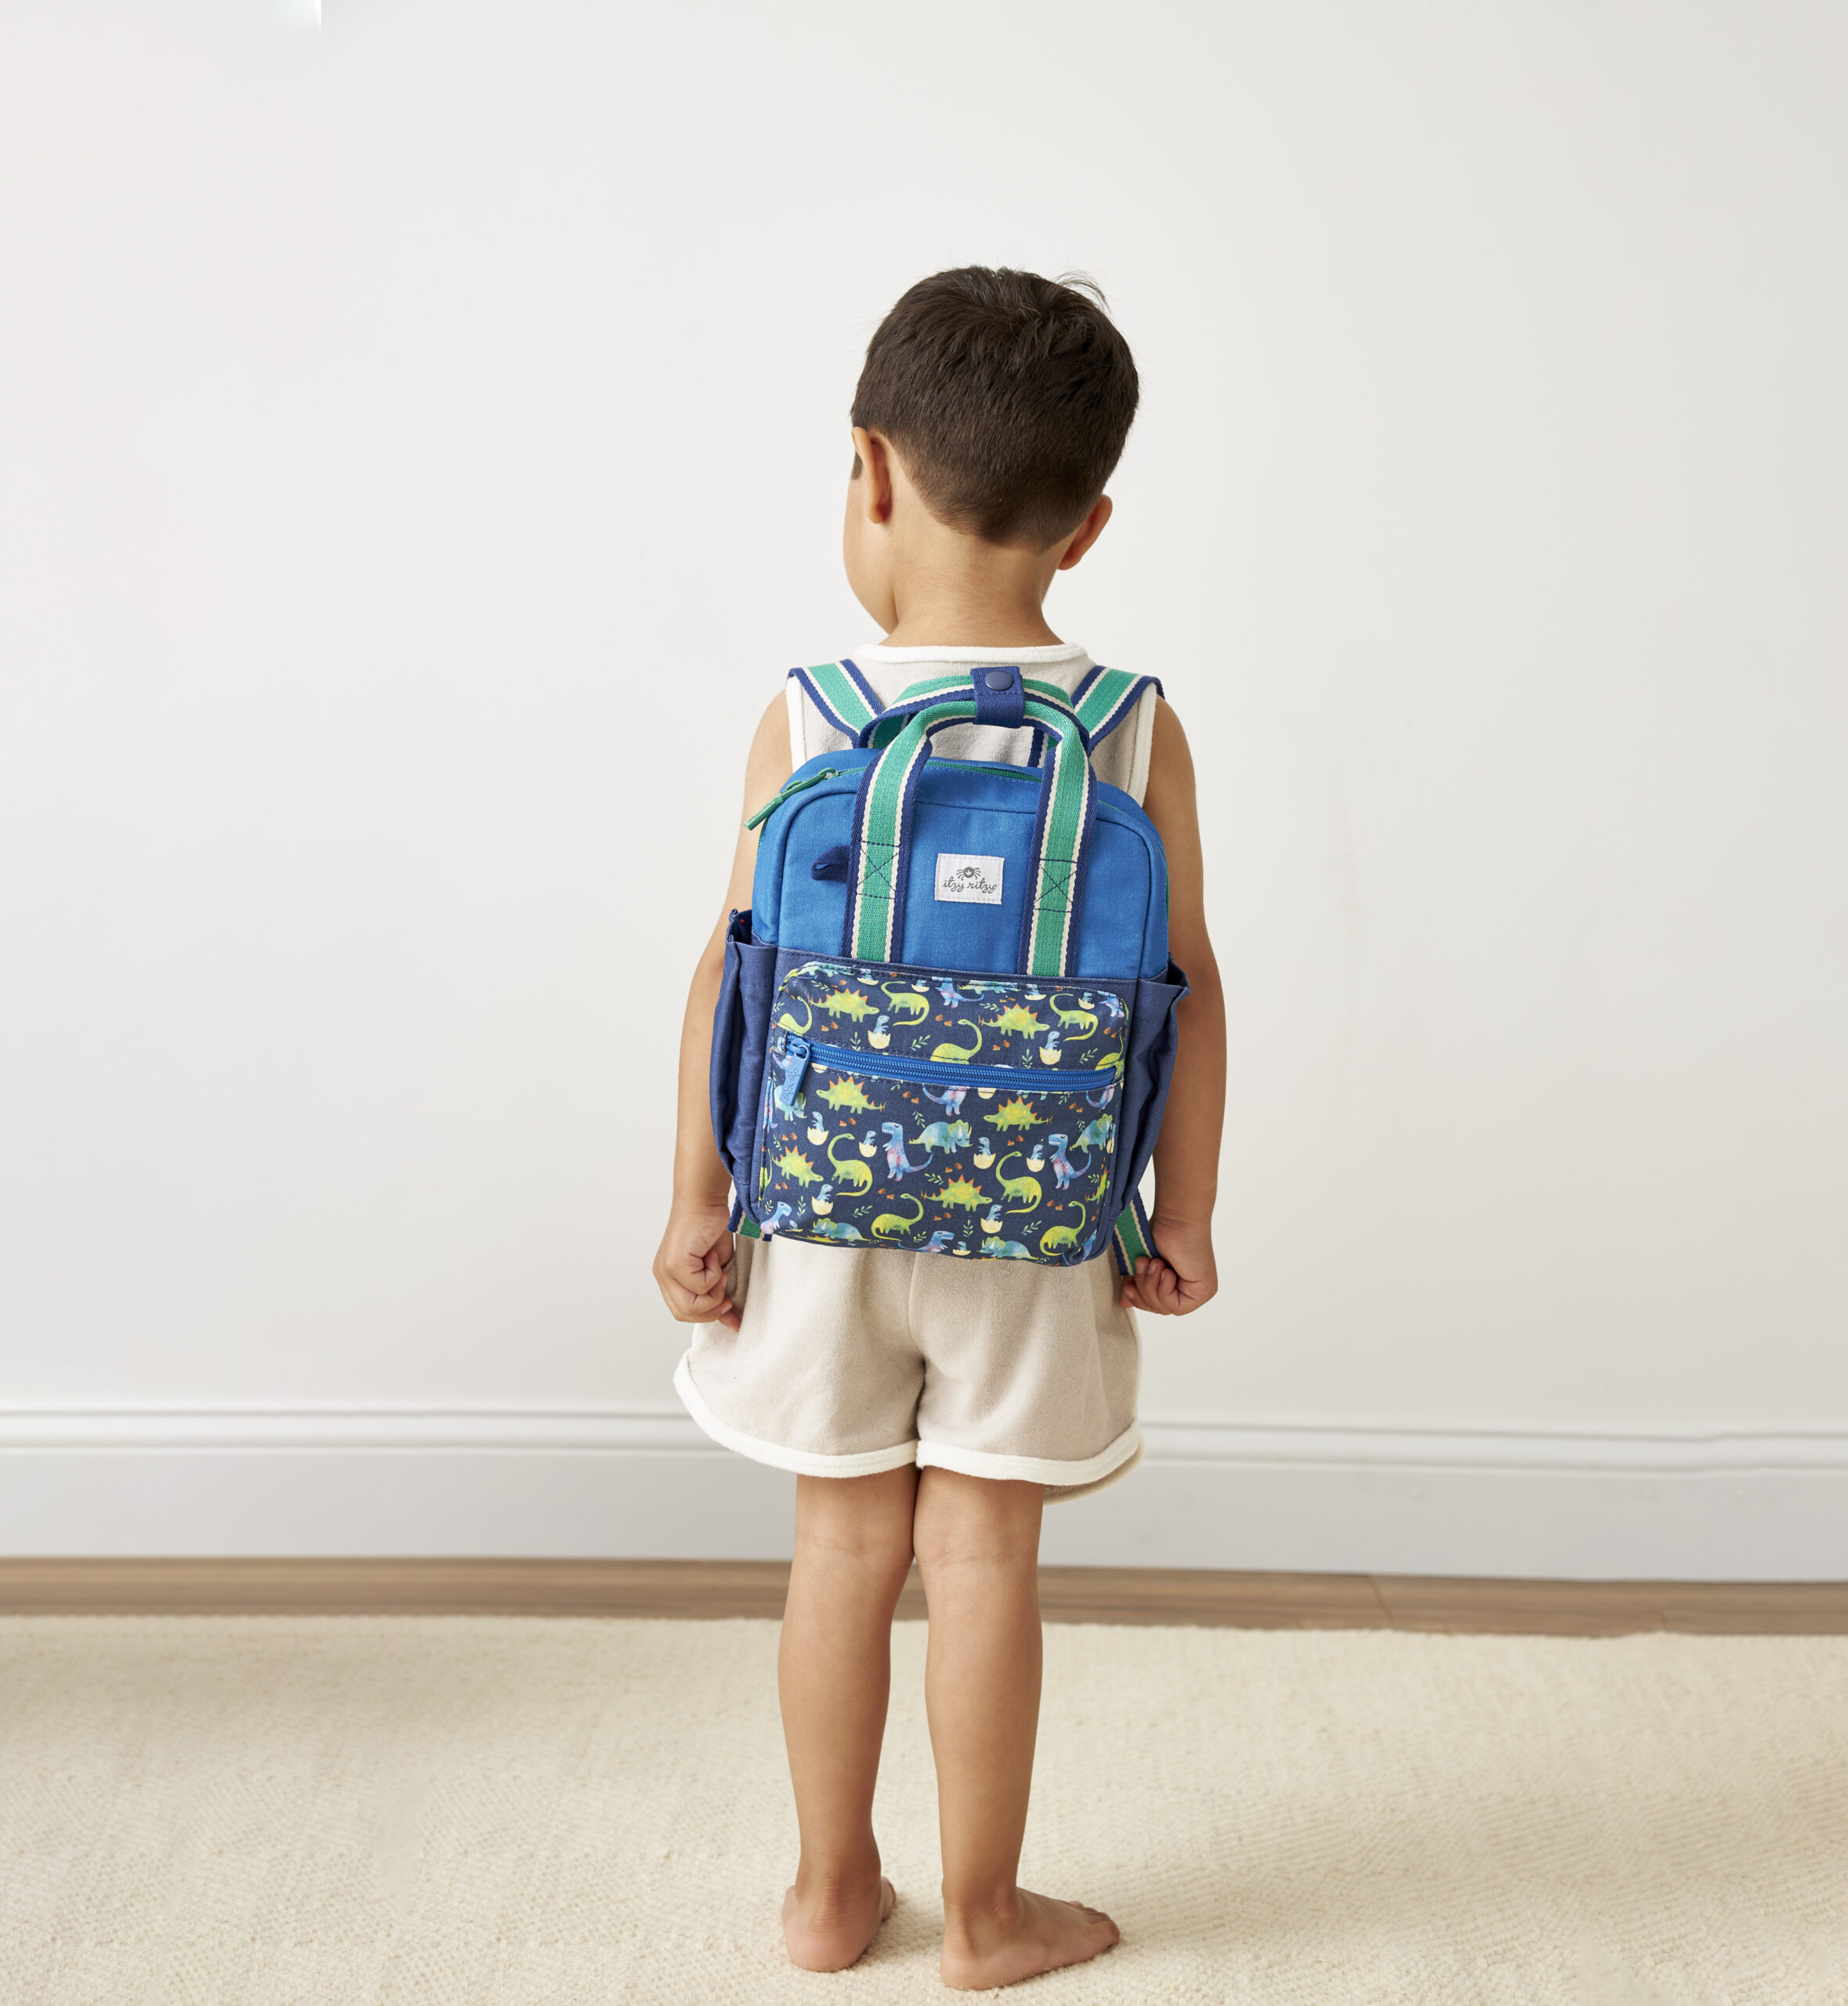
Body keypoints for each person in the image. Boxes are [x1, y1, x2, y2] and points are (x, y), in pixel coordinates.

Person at [653, 266, 1226, 1990]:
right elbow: (1190, 985)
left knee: (841, 1542)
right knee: (981, 1554)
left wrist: (696, 1199)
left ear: (871, 470)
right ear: (1089, 524)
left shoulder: (811, 714)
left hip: (818, 1209)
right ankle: (986, 1916)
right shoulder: (1129, 727)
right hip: (1037, 1222)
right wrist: (1182, 1213)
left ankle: (830, 1894)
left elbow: (730, 975)